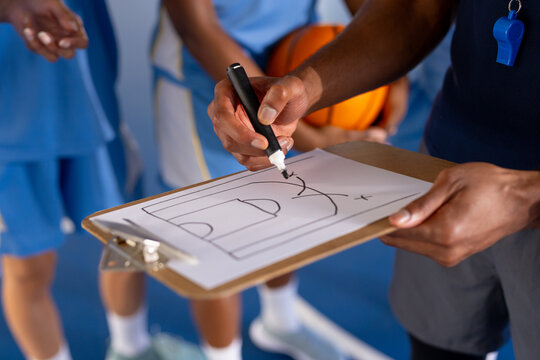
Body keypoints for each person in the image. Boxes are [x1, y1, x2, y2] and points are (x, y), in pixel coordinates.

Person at [208, 0, 540, 359]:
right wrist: (307, 88)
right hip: (442, 165)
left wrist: (525, 195)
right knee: (437, 346)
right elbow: (415, 10)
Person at [149, 1, 365, 359]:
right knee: (210, 239)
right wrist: (313, 139)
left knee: (282, 210)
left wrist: (385, 69)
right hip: (202, 80)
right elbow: (199, 29)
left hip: (290, 66)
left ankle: (281, 321)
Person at [0, 1, 202, 360]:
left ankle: (132, 348)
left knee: (130, 235)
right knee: (27, 267)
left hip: (90, 95)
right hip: (7, 125)